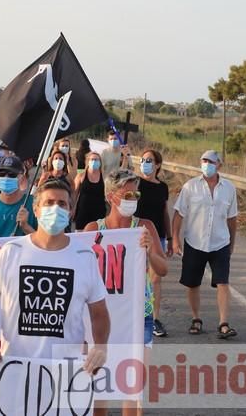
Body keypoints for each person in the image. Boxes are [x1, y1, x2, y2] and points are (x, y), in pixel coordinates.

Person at [0, 178, 110, 375]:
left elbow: (99, 312)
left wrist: (101, 347)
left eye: (62, 204)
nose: (55, 209)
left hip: (67, 372)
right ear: (36, 210)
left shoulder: (85, 256)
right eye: (49, 203)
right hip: (14, 368)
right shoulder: (12, 251)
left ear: (71, 212)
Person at [83, 169, 168, 416]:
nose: (133, 198)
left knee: (132, 387)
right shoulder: (93, 230)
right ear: (111, 196)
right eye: (127, 193)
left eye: (136, 193)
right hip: (101, 317)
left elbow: (162, 270)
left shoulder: (144, 226)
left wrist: (151, 251)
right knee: (101, 386)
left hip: (138, 316)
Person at [172, 150, 238, 339]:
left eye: (210, 161)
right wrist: (175, 239)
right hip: (195, 241)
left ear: (219, 165)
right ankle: (196, 318)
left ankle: (224, 323)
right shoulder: (190, 187)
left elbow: (232, 218)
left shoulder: (229, 188)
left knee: (223, 282)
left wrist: (232, 243)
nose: (206, 164)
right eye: (203, 161)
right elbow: (178, 214)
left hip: (220, 242)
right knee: (192, 283)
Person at [135, 149, 173, 337]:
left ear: (157, 165)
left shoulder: (163, 187)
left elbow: (165, 212)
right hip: (136, 235)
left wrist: (171, 237)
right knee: (138, 277)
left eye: (149, 160)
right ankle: (136, 315)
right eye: (143, 160)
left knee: (156, 278)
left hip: (158, 237)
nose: (145, 163)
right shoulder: (135, 183)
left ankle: (154, 319)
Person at [72, 152, 106, 231]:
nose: (94, 161)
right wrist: (73, 208)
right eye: (92, 159)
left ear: (100, 162)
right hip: (83, 211)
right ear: (88, 162)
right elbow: (75, 193)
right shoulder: (81, 176)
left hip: (99, 212)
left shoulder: (104, 177)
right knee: (80, 234)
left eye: (96, 160)